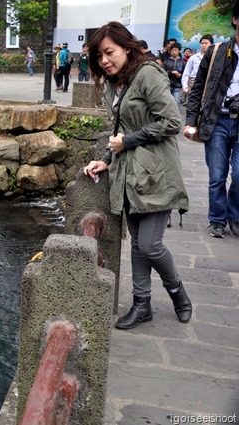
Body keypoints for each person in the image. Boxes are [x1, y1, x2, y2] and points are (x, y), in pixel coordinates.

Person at [83, 21, 191, 330]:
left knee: (151, 244)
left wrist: (127, 141)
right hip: (128, 176)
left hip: (157, 174)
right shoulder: (113, 85)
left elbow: (171, 121)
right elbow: (119, 133)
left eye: (109, 52)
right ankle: (141, 304)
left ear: (127, 47)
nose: (105, 60)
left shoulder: (147, 75)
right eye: (99, 56)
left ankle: (178, 293)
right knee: (138, 246)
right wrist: (105, 159)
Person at [184, 5, 239, 239]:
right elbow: (197, 89)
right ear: (235, 20)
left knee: (238, 175)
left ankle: (234, 215)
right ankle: (217, 220)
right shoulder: (217, 51)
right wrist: (190, 121)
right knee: (217, 175)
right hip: (217, 120)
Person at [181, 34, 213, 108]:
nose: (204, 45)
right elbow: (186, 72)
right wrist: (185, 85)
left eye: (206, 43)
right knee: (193, 104)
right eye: (202, 43)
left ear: (211, 44)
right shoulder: (194, 57)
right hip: (193, 83)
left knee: (205, 105)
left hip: (207, 83)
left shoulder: (213, 58)